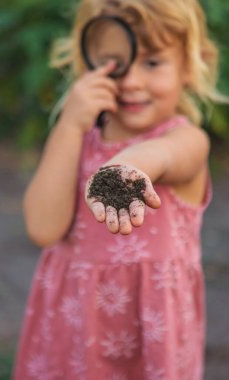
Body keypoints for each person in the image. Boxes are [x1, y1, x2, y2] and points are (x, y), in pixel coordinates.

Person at [13, 0, 226, 379]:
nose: (130, 81)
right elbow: (43, 228)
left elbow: (164, 154)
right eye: (115, 62)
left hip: (150, 334)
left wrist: (128, 167)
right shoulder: (75, 141)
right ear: (87, 63)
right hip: (73, 330)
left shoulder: (186, 139)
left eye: (153, 62)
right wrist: (68, 125)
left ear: (193, 66)